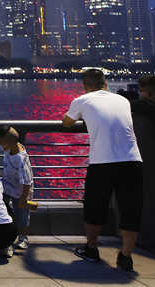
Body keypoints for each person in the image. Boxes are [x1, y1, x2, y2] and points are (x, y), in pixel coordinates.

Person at [61, 69, 143, 272]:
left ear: (85, 86)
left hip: (102, 163)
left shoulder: (82, 100)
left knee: (94, 207)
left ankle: (91, 249)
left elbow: (66, 122)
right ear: (105, 84)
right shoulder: (123, 101)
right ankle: (126, 256)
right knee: (130, 210)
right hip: (132, 160)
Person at [0, 126, 33, 251]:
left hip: (21, 192)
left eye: (0, 142)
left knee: (22, 216)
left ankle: (23, 238)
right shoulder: (9, 146)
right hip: (7, 186)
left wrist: (24, 198)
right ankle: (7, 233)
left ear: (7, 142)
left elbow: (27, 181)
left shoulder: (21, 159)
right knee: (3, 209)